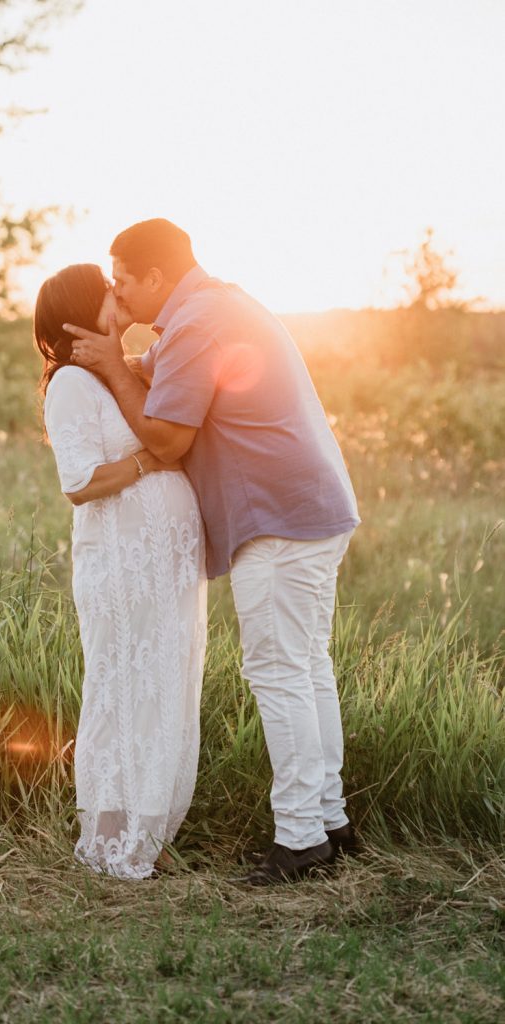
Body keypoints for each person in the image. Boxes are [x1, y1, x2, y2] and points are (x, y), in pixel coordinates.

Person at [63, 220, 361, 885]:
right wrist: (118, 366)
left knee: (280, 672)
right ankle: (329, 819)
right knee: (305, 667)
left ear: (154, 278)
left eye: (121, 281)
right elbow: (155, 378)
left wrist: (111, 364)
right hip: (306, 510)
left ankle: (299, 841)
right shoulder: (212, 309)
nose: (117, 295)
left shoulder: (197, 321)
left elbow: (167, 439)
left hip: (279, 520)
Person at [34, 263, 207, 880]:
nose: (118, 292)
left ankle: (148, 831)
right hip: (122, 563)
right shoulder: (71, 384)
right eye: (107, 288)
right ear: (83, 307)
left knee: (163, 689)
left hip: (163, 564)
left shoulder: (116, 372)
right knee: (123, 689)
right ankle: (111, 839)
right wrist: (149, 465)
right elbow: (79, 483)